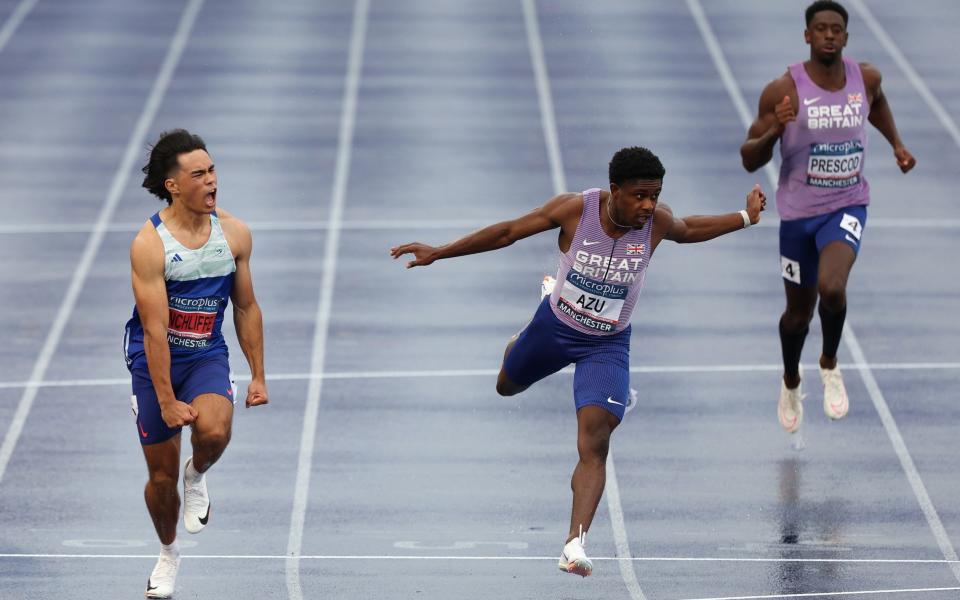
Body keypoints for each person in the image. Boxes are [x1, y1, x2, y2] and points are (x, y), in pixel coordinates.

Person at [391, 146, 765, 577]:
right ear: (614, 191)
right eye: (639, 196)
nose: (648, 205)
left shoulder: (656, 222)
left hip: (607, 342)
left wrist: (744, 217)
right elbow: (508, 232)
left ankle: (574, 543)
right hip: (555, 327)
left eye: (655, 195)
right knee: (506, 386)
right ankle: (521, 338)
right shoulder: (575, 210)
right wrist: (439, 251)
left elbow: (687, 228)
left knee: (595, 439)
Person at [741, 0, 916, 435]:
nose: (829, 36)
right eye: (820, 29)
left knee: (832, 288)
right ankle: (790, 380)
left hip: (848, 203)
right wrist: (776, 129)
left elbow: (876, 103)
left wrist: (896, 143)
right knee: (797, 316)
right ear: (807, 36)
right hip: (798, 215)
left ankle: (830, 364)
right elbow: (748, 158)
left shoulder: (866, 78)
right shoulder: (785, 90)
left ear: (846, 37)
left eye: (836, 29)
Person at [123, 129, 269, 598]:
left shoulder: (235, 235)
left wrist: (258, 375)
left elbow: (246, 307)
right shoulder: (150, 245)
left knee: (214, 431)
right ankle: (167, 554)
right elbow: (152, 332)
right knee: (161, 480)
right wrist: (166, 400)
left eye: (213, 171)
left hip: (205, 352)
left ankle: (198, 473)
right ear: (173, 185)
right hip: (155, 360)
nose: (212, 181)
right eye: (199, 174)